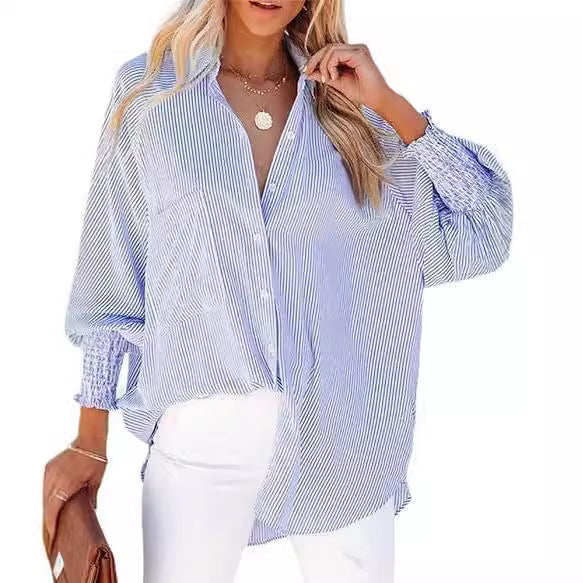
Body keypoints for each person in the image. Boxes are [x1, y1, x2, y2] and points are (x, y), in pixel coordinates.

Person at [43, 0, 513, 581]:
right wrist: (90, 440)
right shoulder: (151, 96)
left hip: (344, 441)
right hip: (202, 438)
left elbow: (486, 226)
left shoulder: (351, 111)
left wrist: (389, 104)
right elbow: (112, 279)